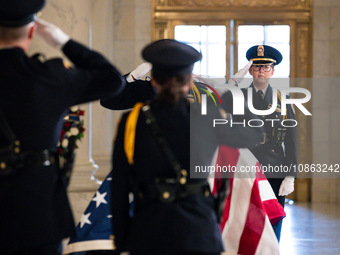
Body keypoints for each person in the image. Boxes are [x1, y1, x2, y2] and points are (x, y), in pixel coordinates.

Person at [110, 39, 263, 255]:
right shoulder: (207, 115)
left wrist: (122, 242)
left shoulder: (133, 120)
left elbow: (120, 186)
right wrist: (230, 93)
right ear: (190, 79)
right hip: (198, 230)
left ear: (153, 80)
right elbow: (255, 134)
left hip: (148, 231)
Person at [0, 0, 126, 254]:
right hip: (37, 216)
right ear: (33, 31)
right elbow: (112, 80)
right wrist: (63, 42)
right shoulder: (49, 78)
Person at [221, 45, 297, 241]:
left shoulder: (283, 100)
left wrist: (291, 175)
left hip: (275, 168)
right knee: (246, 221)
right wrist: (232, 83)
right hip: (246, 166)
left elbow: (291, 139)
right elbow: (217, 103)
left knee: (273, 220)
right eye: (256, 67)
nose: (261, 71)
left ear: (273, 71)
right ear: (250, 70)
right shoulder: (238, 96)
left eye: (266, 67)